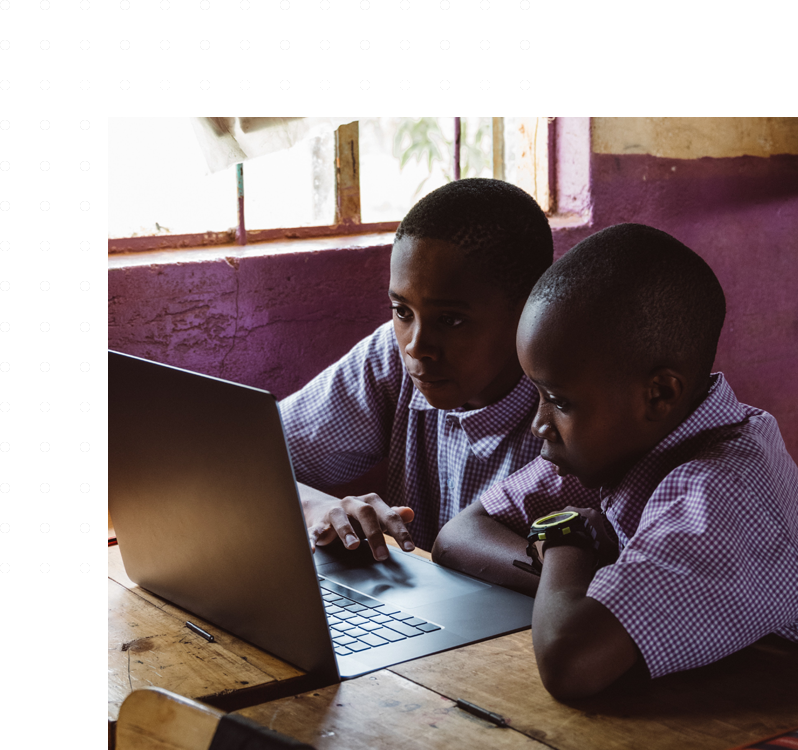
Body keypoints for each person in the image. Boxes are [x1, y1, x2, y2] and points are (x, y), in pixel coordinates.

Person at [432, 223, 798, 699]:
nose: (539, 424)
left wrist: (566, 538)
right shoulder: (628, 442)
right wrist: (571, 587)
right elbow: (459, 536)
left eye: (559, 401)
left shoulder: (723, 494)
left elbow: (570, 661)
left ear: (659, 394)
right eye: (538, 394)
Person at [280, 178, 595, 559]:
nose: (417, 346)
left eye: (451, 320)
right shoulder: (392, 360)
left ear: (529, 312)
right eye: (402, 312)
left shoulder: (574, 409)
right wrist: (315, 506)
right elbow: (246, 457)